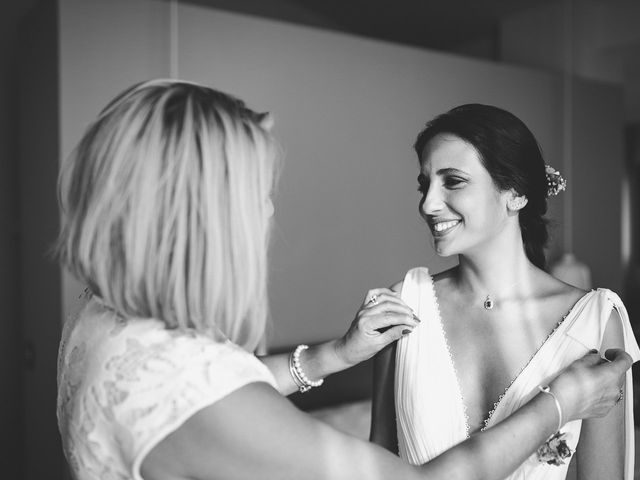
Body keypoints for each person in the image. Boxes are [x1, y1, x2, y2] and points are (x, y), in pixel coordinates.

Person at [56, 81, 632, 480]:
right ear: (204, 212)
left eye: (452, 180)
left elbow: (212, 381)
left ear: (517, 193)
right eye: (257, 196)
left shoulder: (99, 318)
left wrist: (334, 354)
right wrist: (562, 403)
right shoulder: (411, 302)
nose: (268, 213)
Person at [370, 103, 640, 479]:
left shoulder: (593, 321)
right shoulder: (401, 306)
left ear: (515, 193)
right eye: (424, 184)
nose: (427, 204)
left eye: (453, 181)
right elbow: (375, 467)